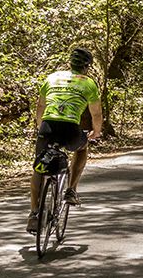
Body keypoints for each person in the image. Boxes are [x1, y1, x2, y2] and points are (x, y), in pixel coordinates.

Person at [27, 48, 103, 234]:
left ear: (70, 63)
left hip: (47, 127)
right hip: (70, 129)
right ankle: (71, 190)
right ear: (86, 67)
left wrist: (40, 127)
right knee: (82, 148)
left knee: (39, 166)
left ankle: (34, 214)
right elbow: (96, 113)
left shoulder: (52, 77)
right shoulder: (88, 83)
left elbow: (40, 106)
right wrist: (96, 132)